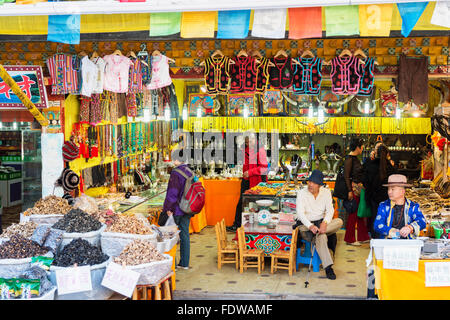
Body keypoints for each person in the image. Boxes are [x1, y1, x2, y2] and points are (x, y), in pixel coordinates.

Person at [296, 170, 343, 280]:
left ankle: (320, 232)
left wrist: (325, 223)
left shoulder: (326, 192)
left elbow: (330, 210)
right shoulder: (302, 193)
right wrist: (311, 226)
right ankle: (328, 268)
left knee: (339, 221)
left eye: (314, 183)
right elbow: (300, 214)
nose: (310, 184)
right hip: (305, 225)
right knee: (322, 237)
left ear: (319, 185)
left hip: (321, 224)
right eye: (310, 181)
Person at [227, 133, 268, 232]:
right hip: (247, 180)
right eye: (247, 142)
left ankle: (253, 226)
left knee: (256, 204)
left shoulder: (260, 150)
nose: (248, 144)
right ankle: (238, 225)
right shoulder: (246, 150)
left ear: (254, 139)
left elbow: (264, 168)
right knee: (242, 203)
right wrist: (245, 173)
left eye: (250, 141)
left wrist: (249, 172)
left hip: (257, 181)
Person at [163, 159, 194, 269]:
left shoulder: (176, 173)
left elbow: (172, 193)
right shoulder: (189, 171)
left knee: (171, 236)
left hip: (177, 209)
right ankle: (184, 263)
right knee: (184, 235)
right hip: (187, 208)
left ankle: (173, 264)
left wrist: (169, 208)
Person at [374, 174, 426, 239]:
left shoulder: (413, 206)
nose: (389, 192)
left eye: (393, 189)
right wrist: (391, 231)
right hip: (388, 244)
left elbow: (422, 221)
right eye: (388, 189)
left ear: (402, 191)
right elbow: (377, 224)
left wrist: (410, 227)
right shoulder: (384, 206)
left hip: (407, 244)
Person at [362, 144, 396, 238]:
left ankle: (375, 238)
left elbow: (364, 180)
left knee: (374, 217)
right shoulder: (390, 167)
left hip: (373, 197)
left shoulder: (370, 165)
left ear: (376, 153)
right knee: (386, 217)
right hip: (386, 197)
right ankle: (385, 236)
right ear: (387, 154)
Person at [343, 138, 370, 246]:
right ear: (358, 147)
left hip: (358, 190)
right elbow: (346, 176)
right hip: (354, 190)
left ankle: (362, 236)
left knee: (360, 213)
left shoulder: (355, 158)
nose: (362, 148)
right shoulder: (349, 159)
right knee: (353, 214)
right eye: (362, 146)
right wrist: (349, 191)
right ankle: (350, 239)